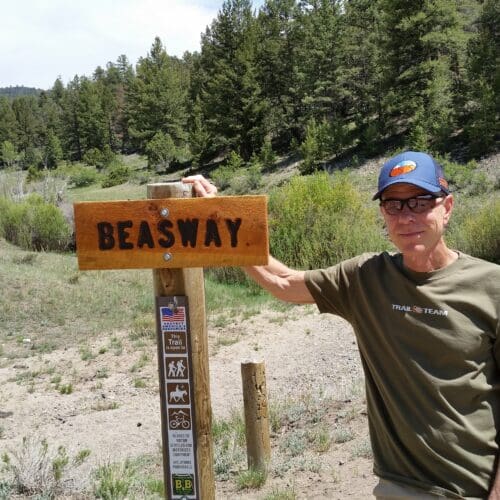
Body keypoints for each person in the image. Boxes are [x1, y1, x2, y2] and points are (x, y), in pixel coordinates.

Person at [183, 151, 500, 499]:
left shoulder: (491, 286)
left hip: (476, 487)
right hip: (399, 485)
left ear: (448, 207)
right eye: (394, 204)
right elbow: (284, 282)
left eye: (420, 202)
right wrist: (224, 216)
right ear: (383, 213)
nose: (407, 216)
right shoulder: (366, 278)